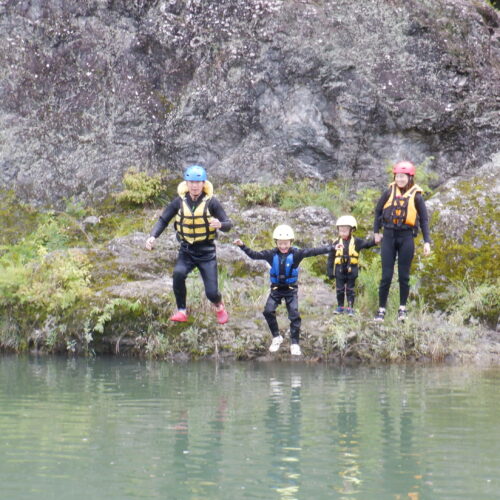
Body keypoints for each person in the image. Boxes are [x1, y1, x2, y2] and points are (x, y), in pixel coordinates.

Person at [145, 165, 232, 324]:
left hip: (206, 253)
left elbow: (228, 223)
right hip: (187, 251)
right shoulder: (179, 202)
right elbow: (163, 220)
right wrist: (153, 236)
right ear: (186, 183)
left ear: (203, 184)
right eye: (191, 182)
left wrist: (220, 224)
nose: (194, 185)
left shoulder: (212, 202)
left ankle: (219, 306)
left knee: (212, 293)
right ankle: (182, 311)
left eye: (198, 182)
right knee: (178, 274)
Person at [233, 225, 332, 356]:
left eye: (286, 244)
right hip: (276, 290)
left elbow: (313, 251)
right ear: (276, 243)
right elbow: (254, 255)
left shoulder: (297, 254)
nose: (283, 246)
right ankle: (276, 337)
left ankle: (295, 343)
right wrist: (242, 245)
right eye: (280, 243)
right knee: (268, 311)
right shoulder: (271, 254)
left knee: (294, 315)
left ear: (291, 242)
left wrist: (332, 248)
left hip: (291, 290)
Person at [373, 161, 431, 322]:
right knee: (386, 276)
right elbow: (378, 211)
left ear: (410, 178)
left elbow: (424, 220)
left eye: (403, 177)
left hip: (406, 238)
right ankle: (381, 309)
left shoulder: (417, 196)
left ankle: (402, 309)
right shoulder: (388, 192)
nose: (400, 179)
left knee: (404, 276)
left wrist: (427, 242)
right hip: (389, 236)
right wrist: (376, 232)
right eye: (398, 176)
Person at [327, 215, 376, 316]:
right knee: (339, 289)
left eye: (345, 231)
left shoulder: (357, 242)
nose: (342, 233)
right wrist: (330, 271)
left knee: (350, 289)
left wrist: (375, 241)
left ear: (352, 230)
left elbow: (367, 244)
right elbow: (331, 257)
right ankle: (340, 306)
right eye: (340, 231)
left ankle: (350, 307)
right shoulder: (336, 242)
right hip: (339, 270)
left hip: (351, 270)